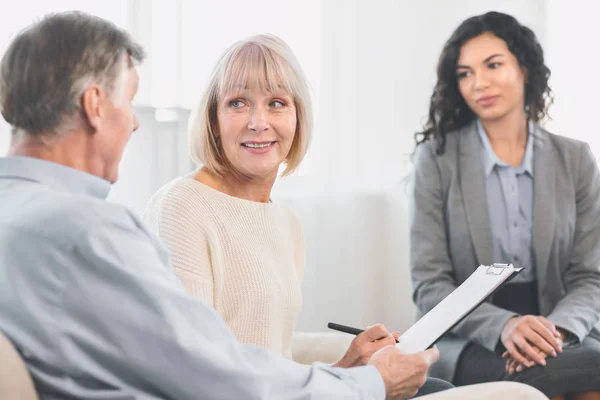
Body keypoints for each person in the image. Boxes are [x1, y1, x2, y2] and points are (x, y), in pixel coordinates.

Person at [141, 34, 445, 389]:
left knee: (436, 388)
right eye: (238, 103)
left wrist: (348, 367)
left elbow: (273, 367)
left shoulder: (286, 223)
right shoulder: (182, 207)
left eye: (277, 103)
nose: (258, 121)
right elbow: (194, 373)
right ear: (213, 119)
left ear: (298, 117)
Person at [410, 10, 600, 400]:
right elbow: (430, 285)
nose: (479, 83)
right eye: (465, 73)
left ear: (525, 69)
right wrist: (506, 327)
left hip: (561, 325)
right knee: (572, 374)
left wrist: (555, 332)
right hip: (468, 333)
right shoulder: (436, 159)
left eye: (493, 65)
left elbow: (590, 276)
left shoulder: (576, 158)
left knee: (577, 367)